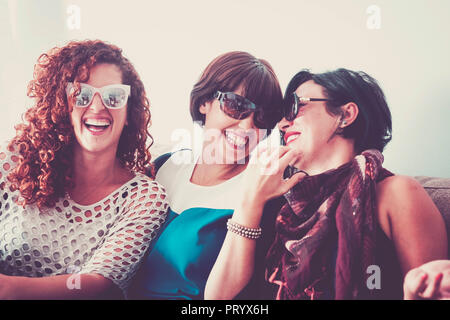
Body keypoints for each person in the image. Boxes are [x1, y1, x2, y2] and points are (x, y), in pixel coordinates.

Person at [205, 68, 448, 299]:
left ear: (346, 115)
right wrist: (250, 200)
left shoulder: (396, 194)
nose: (282, 124)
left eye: (294, 107)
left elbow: (431, 290)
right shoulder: (278, 202)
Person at [0, 40, 169, 299]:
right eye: (82, 94)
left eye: (114, 96)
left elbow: (97, 285)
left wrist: (8, 289)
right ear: (61, 105)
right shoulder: (14, 161)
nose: (98, 107)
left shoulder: (143, 198)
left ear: (129, 110)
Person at [128, 51, 284, 299]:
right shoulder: (164, 167)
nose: (247, 126)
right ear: (204, 102)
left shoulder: (264, 195)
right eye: (236, 105)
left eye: (263, 117)